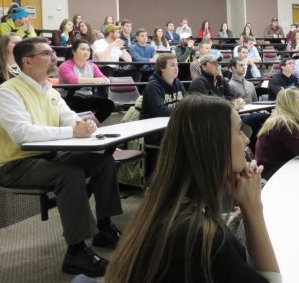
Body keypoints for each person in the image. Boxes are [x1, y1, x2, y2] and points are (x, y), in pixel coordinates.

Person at [105, 95, 281, 282]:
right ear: (212, 144)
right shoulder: (198, 235)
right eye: (238, 131)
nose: (246, 139)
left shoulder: (166, 207)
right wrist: (253, 208)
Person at [0, 37, 122, 277]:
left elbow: (69, 116)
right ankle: (76, 252)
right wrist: (71, 130)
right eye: (46, 53)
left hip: (47, 156)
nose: (54, 56)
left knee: (103, 162)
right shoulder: (8, 91)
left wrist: (83, 124)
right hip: (13, 164)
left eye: (52, 51)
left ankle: (104, 228)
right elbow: (22, 134)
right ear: (27, 61)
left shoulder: (49, 90)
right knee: (70, 174)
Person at [255, 87, 299, 180]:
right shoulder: (284, 123)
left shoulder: (285, 120)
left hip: (280, 168)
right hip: (275, 175)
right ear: (290, 103)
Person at [58, 39, 115, 123]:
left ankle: (92, 124)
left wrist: (105, 80)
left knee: (109, 105)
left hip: (87, 96)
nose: (86, 52)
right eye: (82, 49)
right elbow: (72, 80)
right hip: (69, 97)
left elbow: (103, 77)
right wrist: (94, 80)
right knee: (78, 104)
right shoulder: (65, 65)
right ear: (74, 51)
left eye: (88, 50)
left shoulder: (92, 65)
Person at [92, 24, 140, 95]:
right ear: (111, 33)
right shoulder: (98, 43)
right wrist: (111, 46)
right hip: (102, 71)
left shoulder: (117, 45)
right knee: (107, 68)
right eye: (117, 32)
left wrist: (121, 47)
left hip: (115, 71)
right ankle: (108, 96)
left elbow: (129, 60)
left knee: (136, 73)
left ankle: (131, 95)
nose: (119, 35)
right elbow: (101, 59)